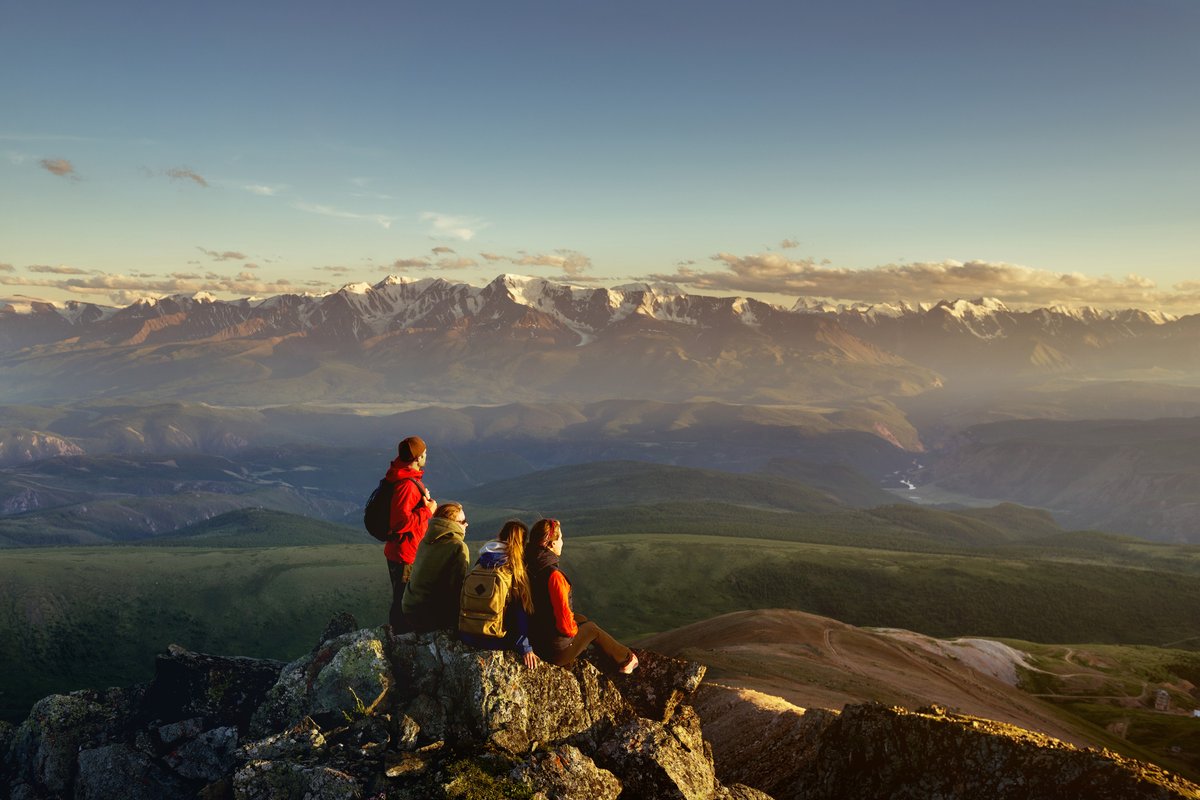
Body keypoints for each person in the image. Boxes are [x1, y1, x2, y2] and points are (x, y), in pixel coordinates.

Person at [527, 518, 638, 674]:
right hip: (554, 652)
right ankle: (627, 660)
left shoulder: (527, 566)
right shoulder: (554, 576)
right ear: (551, 544)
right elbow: (566, 627)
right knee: (591, 629)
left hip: (536, 642)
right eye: (560, 538)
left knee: (581, 619)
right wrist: (575, 631)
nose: (562, 542)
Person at [459, 521, 541, 669]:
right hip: (493, 639)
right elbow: (519, 613)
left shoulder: (482, 560)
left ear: (500, 536)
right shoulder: (512, 568)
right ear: (521, 544)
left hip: (468, 634)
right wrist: (526, 648)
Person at [381, 436, 437, 631]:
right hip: (404, 552)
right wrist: (427, 510)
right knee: (403, 599)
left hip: (402, 550)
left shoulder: (403, 478)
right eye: (425, 454)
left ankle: (398, 633)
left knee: (402, 596)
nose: (426, 457)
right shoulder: (406, 485)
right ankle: (399, 636)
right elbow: (399, 522)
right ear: (417, 458)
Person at [401, 501, 471, 632]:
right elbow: (456, 588)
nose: (466, 524)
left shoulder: (426, 540)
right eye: (463, 521)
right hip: (429, 614)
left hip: (410, 607)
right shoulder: (458, 547)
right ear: (451, 524)